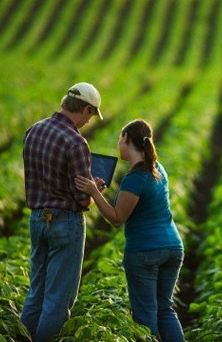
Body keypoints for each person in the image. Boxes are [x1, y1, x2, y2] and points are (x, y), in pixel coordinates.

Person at [74, 119, 185, 341]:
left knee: (145, 315)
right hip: (173, 247)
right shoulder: (157, 169)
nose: (118, 143)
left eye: (120, 138)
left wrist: (95, 193)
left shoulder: (135, 179)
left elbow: (117, 218)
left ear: (126, 139)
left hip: (145, 251)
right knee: (165, 309)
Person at [20, 82, 106, 342]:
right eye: (91, 115)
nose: (90, 121)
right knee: (59, 299)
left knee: (37, 293)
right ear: (87, 109)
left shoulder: (33, 131)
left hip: (37, 219)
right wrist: (95, 190)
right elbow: (82, 200)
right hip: (65, 223)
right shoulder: (76, 143)